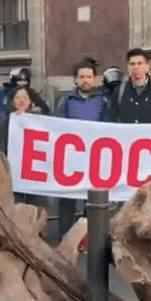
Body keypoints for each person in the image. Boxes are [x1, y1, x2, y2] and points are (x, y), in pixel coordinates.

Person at [56, 57, 114, 236]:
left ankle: (90, 236)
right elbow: (57, 127)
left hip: (94, 157)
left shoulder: (104, 101)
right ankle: (65, 236)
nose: (85, 80)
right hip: (71, 158)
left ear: (95, 79)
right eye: (82, 77)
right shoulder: (65, 101)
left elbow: (109, 127)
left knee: (93, 198)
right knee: (67, 199)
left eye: (89, 76)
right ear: (75, 79)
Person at [109, 48, 151, 123]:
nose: (136, 67)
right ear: (128, 68)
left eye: (140, 63)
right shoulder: (120, 92)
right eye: (132, 64)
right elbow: (111, 118)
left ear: (147, 67)